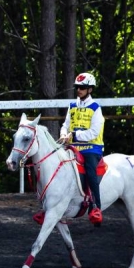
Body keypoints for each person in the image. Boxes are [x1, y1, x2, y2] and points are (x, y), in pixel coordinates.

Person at [58, 72, 105, 226]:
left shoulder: (96, 108)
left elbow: (93, 132)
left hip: (92, 148)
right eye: (77, 87)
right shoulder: (72, 106)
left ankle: (96, 207)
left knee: (90, 170)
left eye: (82, 88)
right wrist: (64, 134)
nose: (79, 90)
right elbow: (65, 125)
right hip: (73, 146)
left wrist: (74, 135)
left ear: (90, 89)